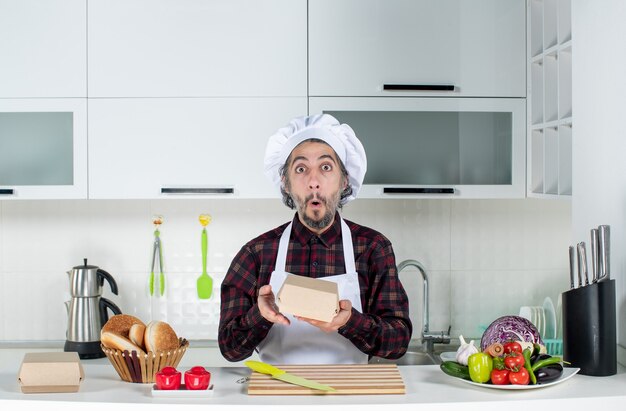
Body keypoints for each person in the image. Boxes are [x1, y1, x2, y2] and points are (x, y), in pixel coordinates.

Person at [218, 114, 412, 364]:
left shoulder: (373, 248)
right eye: (301, 169)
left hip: (350, 398)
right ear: (285, 183)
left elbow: (398, 341)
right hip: (278, 398)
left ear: (344, 180)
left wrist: (352, 321)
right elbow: (229, 349)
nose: (313, 182)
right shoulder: (256, 253)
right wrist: (260, 315)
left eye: (326, 167)